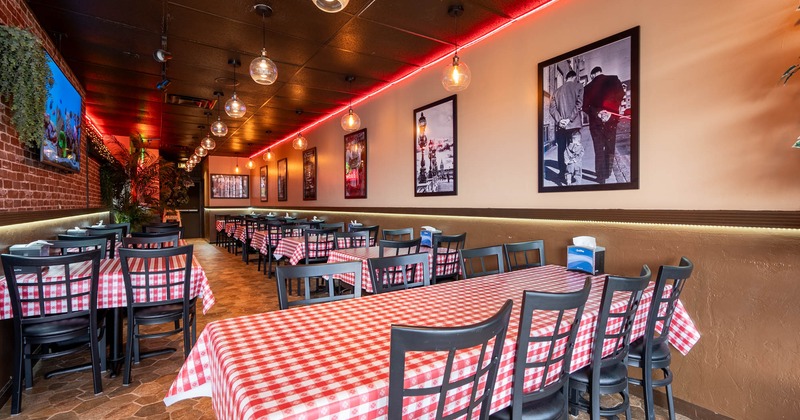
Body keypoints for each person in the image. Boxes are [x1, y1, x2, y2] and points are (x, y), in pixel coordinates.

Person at [582, 66, 624, 184]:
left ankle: (601, 178)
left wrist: (598, 112)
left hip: (596, 122)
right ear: (601, 72)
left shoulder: (587, 88)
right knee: (610, 147)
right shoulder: (614, 79)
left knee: (598, 149)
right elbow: (620, 95)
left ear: (592, 75)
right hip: (611, 120)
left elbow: (585, 107)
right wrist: (610, 111)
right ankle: (608, 172)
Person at [549, 70, 583, 184]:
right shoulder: (578, 86)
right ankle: (572, 176)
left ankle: (562, 174)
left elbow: (552, 109)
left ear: (566, 78)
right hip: (574, 125)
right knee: (574, 150)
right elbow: (579, 104)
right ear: (574, 77)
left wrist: (560, 120)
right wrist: (569, 119)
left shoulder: (556, 91)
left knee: (561, 149)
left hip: (561, 126)